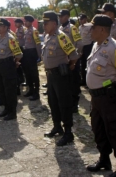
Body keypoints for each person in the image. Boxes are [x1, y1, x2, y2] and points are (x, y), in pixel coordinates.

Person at [85, 14, 116, 177]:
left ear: (102, 29)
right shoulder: (96, 44)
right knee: (99, 129)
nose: (90, 30)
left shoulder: (115, 48)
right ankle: (104, 159)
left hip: (109, 97)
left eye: (93, 27)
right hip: (96, 97)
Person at [41, 11, 79, 146]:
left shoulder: (61, 37)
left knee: (64, 104)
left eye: (46, 23)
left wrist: (69, 66)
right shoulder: (47, 36)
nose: (44, 26)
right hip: (50, 75)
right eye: (43, 23)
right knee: (53, 102)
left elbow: (73, 56)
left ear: (53, 23)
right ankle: (57, 126)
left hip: (60, 76)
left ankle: (68, 132)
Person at [0, 18, 23, 121]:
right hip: (0, 66)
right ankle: (6, 109)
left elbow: (19, 54)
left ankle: (12, 112)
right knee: (2, 89)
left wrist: (14, 62)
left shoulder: (10, 38)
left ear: (6, 27)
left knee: (9, 91)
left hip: (7, 66)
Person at [59, 9, 83, 113]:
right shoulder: (60, 28)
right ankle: (67, 103)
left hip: (72, 60)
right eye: (59, 16)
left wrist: (75, 59)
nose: (60, 18)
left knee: (74, 83)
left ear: (67, 16)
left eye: (62, 16)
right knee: (65, 83)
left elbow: (80, 44)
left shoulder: (72, 28)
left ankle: (74, 105)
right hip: (63, 61)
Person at [23, 15, 42, 101]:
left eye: (26, 21)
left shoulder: (34, 31)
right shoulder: (26, 30)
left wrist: (39, 55)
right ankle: (30, 89)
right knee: (27, 72)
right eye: (25, 21)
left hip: (32, 52)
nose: (25, 22)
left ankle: (36, 92)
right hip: (26, 52)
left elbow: (38, 44)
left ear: (31, 22)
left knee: (34, 73)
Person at [78, 14, 93, 86]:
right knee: (82, 64)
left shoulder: (90, 26)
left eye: (82, 19)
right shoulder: (80, 27)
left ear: (85, 19)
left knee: (88, 64)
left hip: (88, 46)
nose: (80, 21)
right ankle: (83, 80)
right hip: (82, 47)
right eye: (80, 19)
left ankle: (89, 82)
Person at [14, 18, 26, 95]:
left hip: (23, 48)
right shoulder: (17, 30)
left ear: (21, 23)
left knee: (24, 65)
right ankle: (21, 79)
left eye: (17, 23)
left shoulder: (24, 29)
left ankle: (24, 80)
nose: (15, 24)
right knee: (19, 65)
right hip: (18, 48)